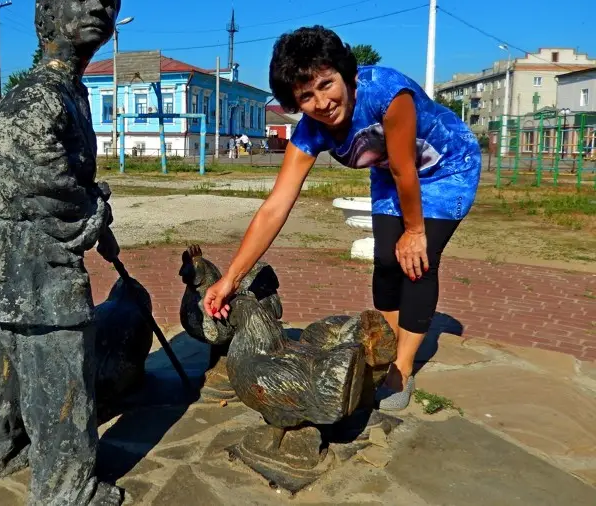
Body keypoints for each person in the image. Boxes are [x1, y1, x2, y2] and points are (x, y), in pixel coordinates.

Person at [204, 26, 481, 411]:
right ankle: (384, 347)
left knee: (417, 262)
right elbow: (276, 205)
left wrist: (416, 231)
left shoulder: (388, 94)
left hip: (446, 167)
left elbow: (406, 168)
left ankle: (402, 367)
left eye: (326, 83)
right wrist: (230, 279)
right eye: (306, 96)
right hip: (390, 172)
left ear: (347, 75)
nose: (322, 102)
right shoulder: (309, 131)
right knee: (386, 259)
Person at [0, 0, 125, 505]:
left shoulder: (68, 88)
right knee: (59, 362)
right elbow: (18, 159)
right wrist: (90, 211)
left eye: (108, 1)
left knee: (7, 356)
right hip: (27, 256)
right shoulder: (43, 91)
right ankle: (67, 488)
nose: (99, 6)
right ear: (48, 12)